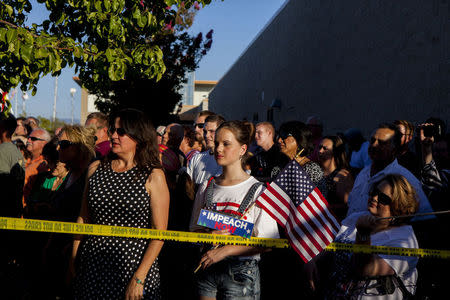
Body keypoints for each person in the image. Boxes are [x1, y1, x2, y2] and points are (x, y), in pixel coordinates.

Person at [73, 109, 169, 299]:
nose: (114, 136)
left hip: (133, 266)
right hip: (93, 265)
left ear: (138, 136)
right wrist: (74, 259)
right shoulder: (95, 169)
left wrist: (139, 277)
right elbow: (83, 218)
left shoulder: (153, 175)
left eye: (121, 132)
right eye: (113, 130)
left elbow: (159, 232)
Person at [189, 120, 279, 300]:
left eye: (226, 144)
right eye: (217, 143)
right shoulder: (207, 186)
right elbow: (193, 231)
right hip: (207, 268)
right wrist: (208, 234)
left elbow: (268, 242)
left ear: (243, 149)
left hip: (241, 273)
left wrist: (225, 250)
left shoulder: (259, 190)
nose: (219, 149)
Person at [306, 174, 420, 299]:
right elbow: (330, 245)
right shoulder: (357, 217)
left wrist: (363, 235)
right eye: (374, 192)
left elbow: (365, 269)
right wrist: (312, 259)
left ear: (398, 205)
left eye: (383, 198)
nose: (374, 198)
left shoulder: (405, 239)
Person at [43, 125, 96, 299]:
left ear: (80, 146)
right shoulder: (70, 173)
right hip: (57, 250)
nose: (58, 148)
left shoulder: (92, 175)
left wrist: (73, 252)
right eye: (59, 143)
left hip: (77, 253)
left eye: (64, 144)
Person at [346, 123, 433, 221]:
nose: (374, 145)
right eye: (372, 140)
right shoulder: (363, 173)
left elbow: (425, 218)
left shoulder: (405, 178)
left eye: (382, 143)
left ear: (394, 149)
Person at [277, 121, 327, 196]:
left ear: (299, 138)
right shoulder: (279, 167)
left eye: (284, 135)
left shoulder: (311, 169)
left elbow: (318, 200)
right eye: (279, 135)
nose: (279, 140)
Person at [318, 135, 354, 221]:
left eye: (325, 148)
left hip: (333, 223)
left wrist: (324, 207)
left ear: (335, 152)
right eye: (319, 147)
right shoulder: (316, 171)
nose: (320, 151)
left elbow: (347, 204)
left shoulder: (342, 175)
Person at [187, 114, 225, 188]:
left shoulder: (228, 160)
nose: (206, 135)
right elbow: (188, 186)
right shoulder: (196, 158)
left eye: (212, 131)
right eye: (205, 131)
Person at [23, 127, 51, 206]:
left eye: (33, 139)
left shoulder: (44, 164)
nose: (28, 141)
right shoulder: (26, 160)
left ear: (44, 143)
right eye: (28, 138)